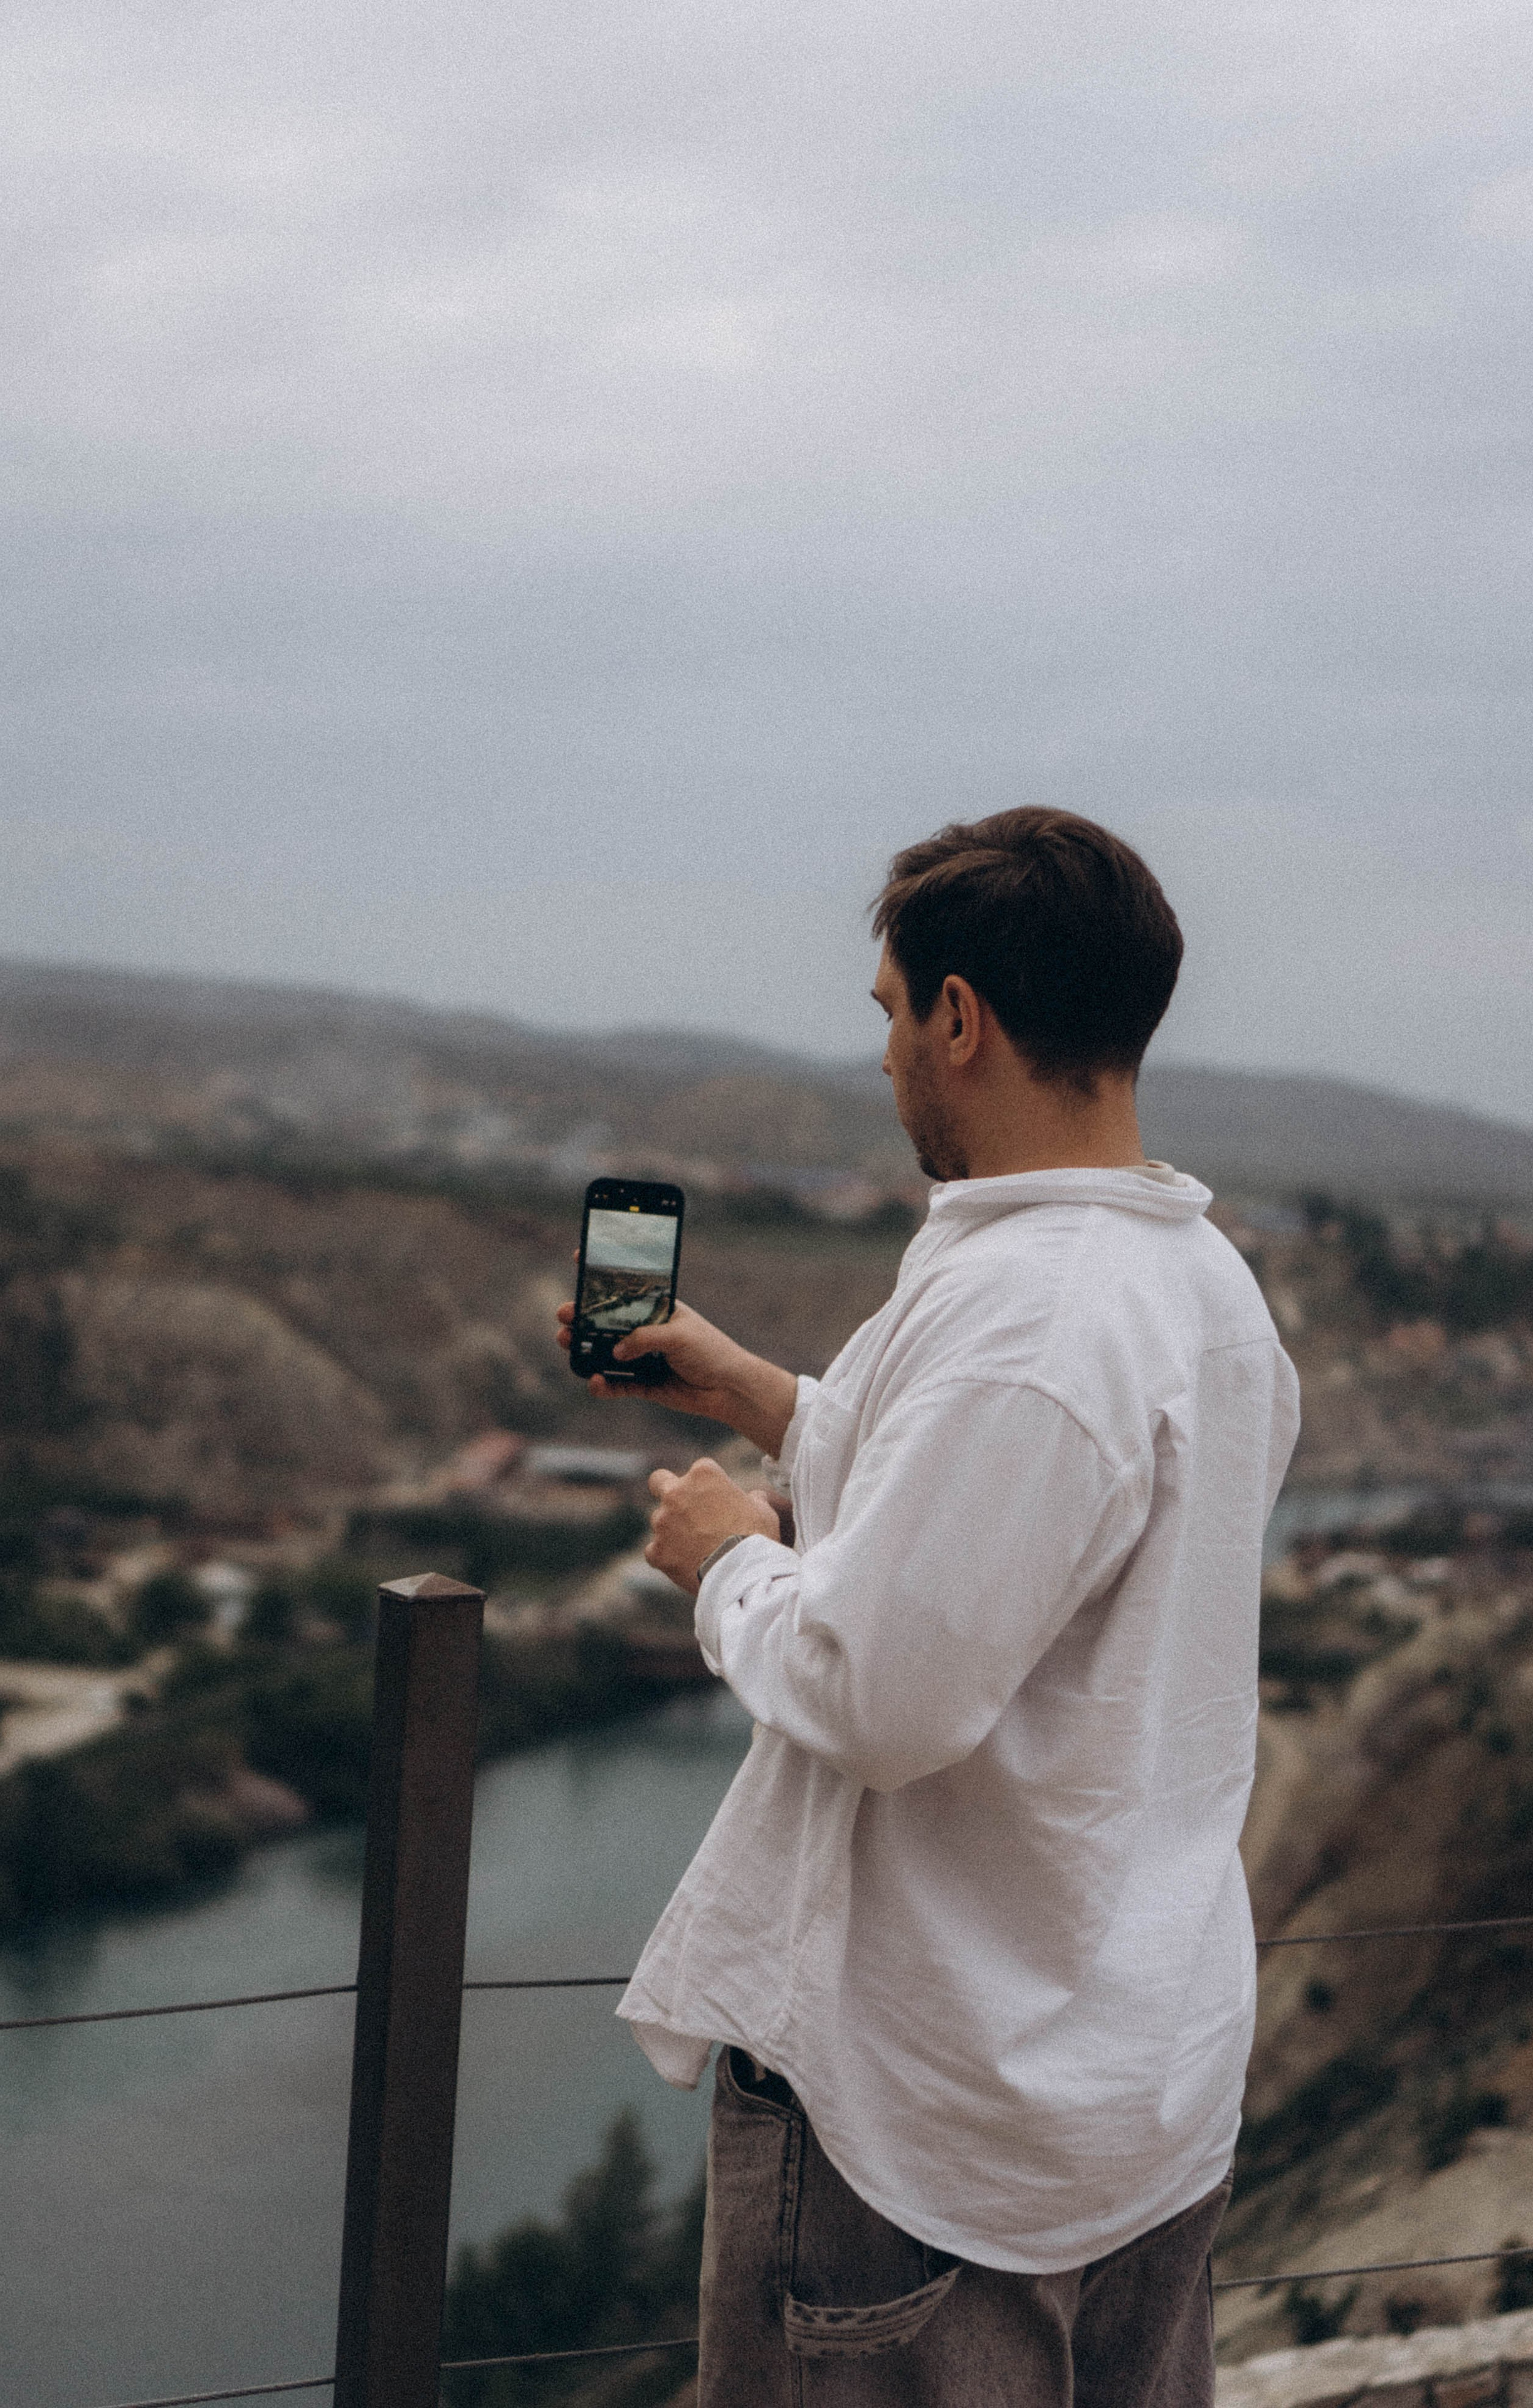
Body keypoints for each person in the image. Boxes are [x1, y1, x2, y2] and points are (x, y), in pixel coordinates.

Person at [556, 806, 1299, 2408]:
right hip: (1133, 2098)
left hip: (936, 2138)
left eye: (891, 1011)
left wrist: (725, 1558)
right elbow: (1024, 1520)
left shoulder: (1028, 1314)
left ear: (959, 1018)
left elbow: (877, 1697)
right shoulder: (1201, 1288)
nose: (886, 1053)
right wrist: (760, 1394)